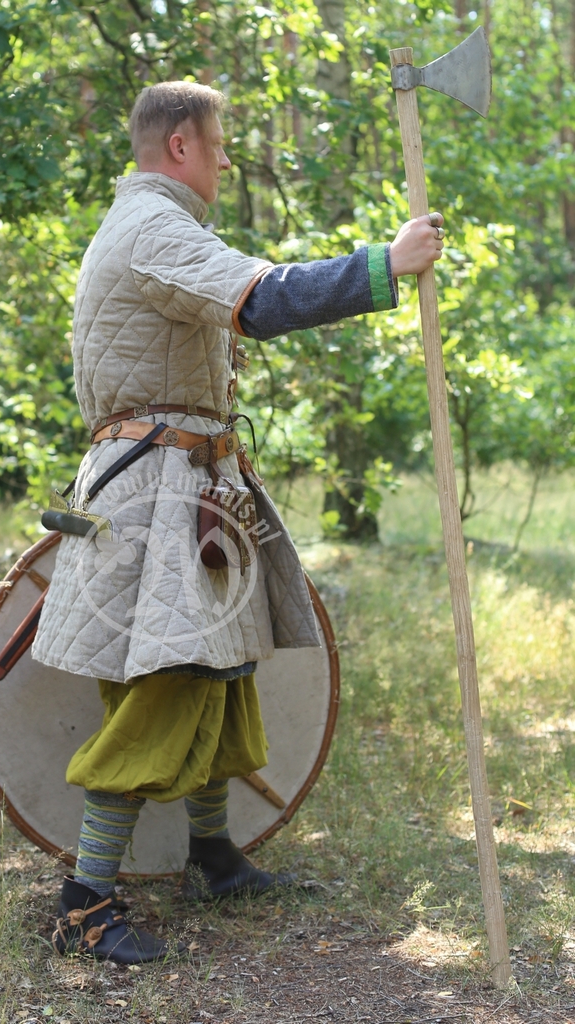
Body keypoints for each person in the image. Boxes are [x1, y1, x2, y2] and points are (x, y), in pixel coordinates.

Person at [32, 81, 444, 964]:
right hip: (156, 488)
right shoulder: (153, 229)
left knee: (222, 672)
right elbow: (263, 299)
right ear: (180, 143)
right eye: (218, 144)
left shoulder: (157, 223)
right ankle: (84, 899)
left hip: (188, 482)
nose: (225, 159)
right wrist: (386, 264)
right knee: (172, 679)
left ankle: (215, 855)